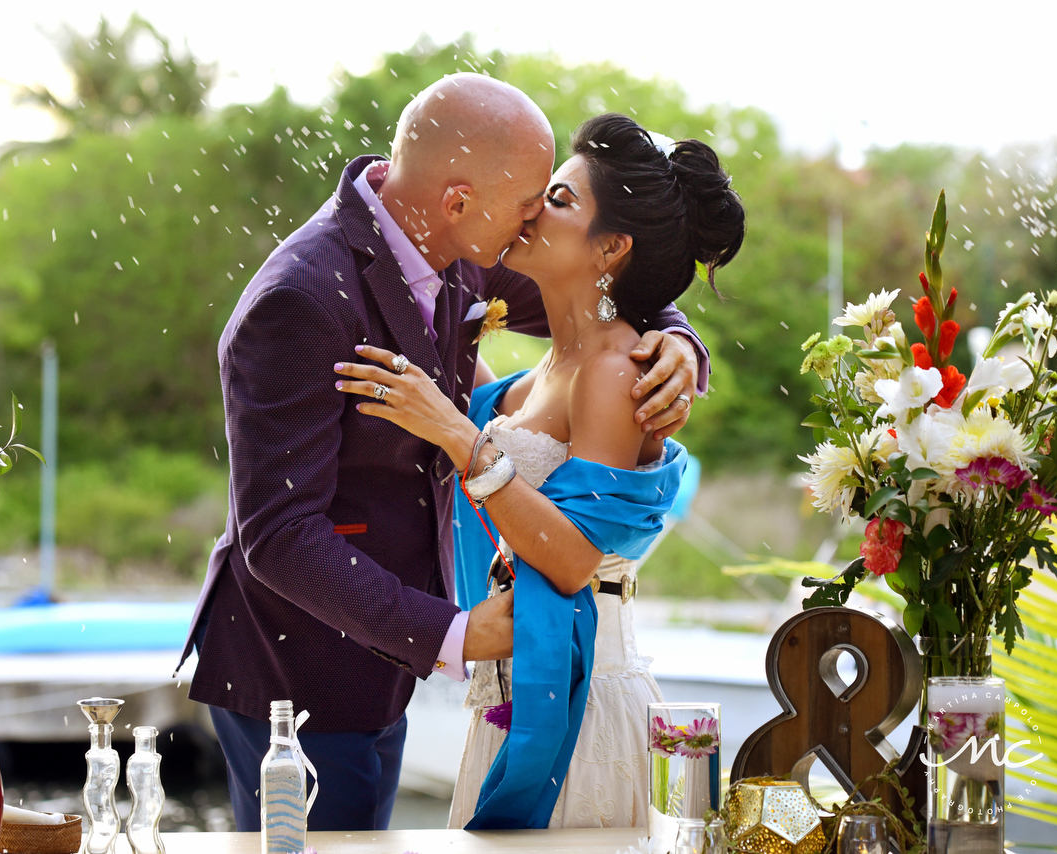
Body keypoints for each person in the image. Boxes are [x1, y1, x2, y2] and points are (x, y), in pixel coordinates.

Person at [179, 74, 712, 832]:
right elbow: (279, 536)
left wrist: (682, 350)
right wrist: (454, 637)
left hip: (402, 658)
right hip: (301, 665)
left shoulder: (462, 243)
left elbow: (613, 290)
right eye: (530, 199)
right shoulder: (298, 299)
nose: (532, 219)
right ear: (458, 200)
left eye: (550, 201)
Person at [333, 113, 744, 828]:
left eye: (557, 200)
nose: (529, 209)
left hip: (579, 702)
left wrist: (459, 437)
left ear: (611, 247)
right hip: (510, 693)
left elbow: (572, 558)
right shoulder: (536, 378)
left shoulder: (618, 372)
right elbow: (448, 384)